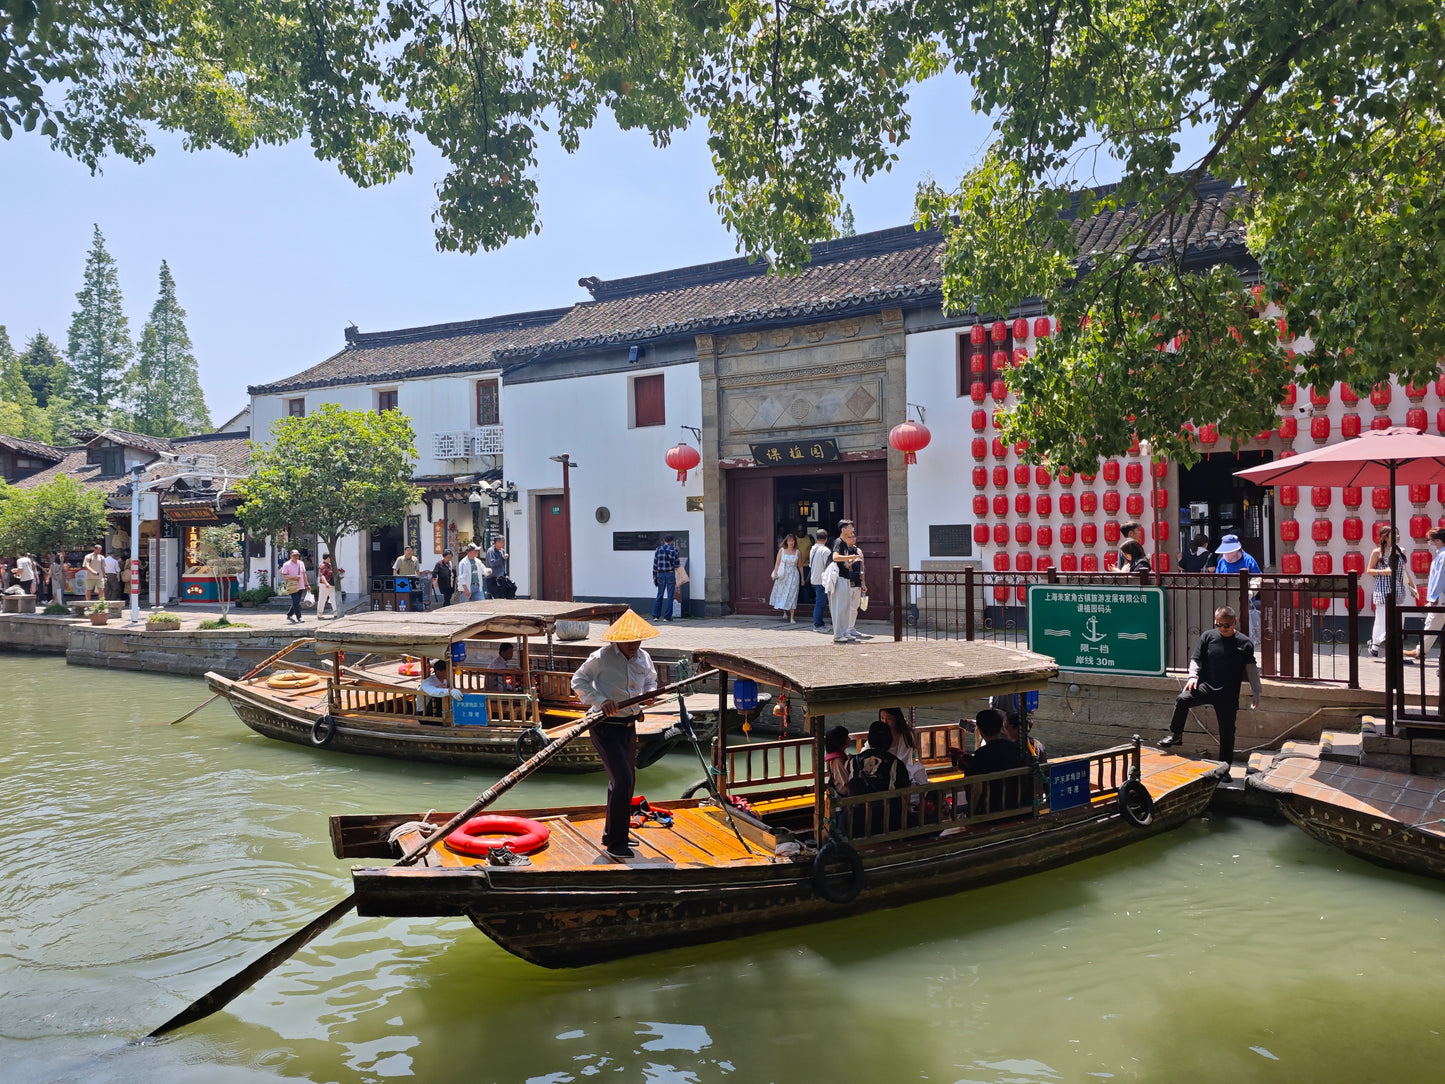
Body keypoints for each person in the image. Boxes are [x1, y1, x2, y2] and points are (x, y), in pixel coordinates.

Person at [571, 610, 660, 859]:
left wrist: (649, 694)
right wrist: (601, 700)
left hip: (629, 726)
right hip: (605, 726)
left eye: (638, 641)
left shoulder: (644, 657)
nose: (634, 645)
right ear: (619, 639)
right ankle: (616, 843)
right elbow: (578, 681)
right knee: (621, 780)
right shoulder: (602, 657)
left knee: (625, 781)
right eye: (630, 641)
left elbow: (651, 681)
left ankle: (613, 833)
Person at [1157, 605, 1261, 771]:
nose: (1222, 628)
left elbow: (1251, 669)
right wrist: (1192, 676)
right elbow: (1196, 659)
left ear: (1235, 622)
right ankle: (1176, 735)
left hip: (1228, 694)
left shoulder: (1244, 643)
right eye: (1218, 624)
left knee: (1227, 733)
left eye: (1226, 625)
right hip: (1206, 687)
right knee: (1183, 699)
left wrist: (1257, 691)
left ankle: (1225, 769)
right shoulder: (1208, 637)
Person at [955, 707, 1028, 814]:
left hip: (991, 810)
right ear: (1001, 728)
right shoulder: (1015, 748)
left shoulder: (982, 754)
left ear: (980, 730)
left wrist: (971, 813)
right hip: (1017, 805)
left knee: (956, 811)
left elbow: (976, 790)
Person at [846, 719, 911, 835]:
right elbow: (905, 796)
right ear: (890, 741)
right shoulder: (896, 764)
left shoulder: (852, 761)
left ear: (869, 739)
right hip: (887, 825)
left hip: (855, 823)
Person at [1366, 527, 1417, 658]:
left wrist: (1412, 586)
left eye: (1398, 533)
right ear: (1385, 537)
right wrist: (1384, 571)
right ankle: (1376, 642)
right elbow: (1369, 570)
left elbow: (1404, 572)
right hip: (1383, 590)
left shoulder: (1401, 551)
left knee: (1398, 621)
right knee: (1382, 621)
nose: (1398, 536)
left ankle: (1392, 649)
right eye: (1394, 534)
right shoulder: (1377, 552)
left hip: (1398, 590)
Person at [1405, 528, 1445, 662]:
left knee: (1432, 624)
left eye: (1430, 540)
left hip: (1441, 598)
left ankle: (1420, 651)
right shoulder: (1441, 555)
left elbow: (1440, 579)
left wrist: (1433, 598)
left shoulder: (1443, 556)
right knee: (1432, 624)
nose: (1430, 543)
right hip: (1441, 597)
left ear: (1438, 540)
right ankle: (1420, 651)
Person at [829, 520, 865, 643]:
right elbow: (835, 557)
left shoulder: (844, 543)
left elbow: (843, 562)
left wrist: (850, 561)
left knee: (846, 607)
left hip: (845, 576)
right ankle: (838, 634)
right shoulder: (838, 542)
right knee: (839, 607)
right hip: (839, 578)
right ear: (843, 530)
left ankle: (844, 632)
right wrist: (851, 557)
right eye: (850, 527)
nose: (852, 530)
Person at [880, 706, 928, 786]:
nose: (885, 722)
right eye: (882, 718)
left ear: (896, 718)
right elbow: (867, 751)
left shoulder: (906, 736)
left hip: (902, 771)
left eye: (888, 719)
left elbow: (904, 762)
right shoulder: (878, 735)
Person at [769, 533, 802, 622]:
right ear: (786, 541)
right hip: (783, 575)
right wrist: (775, 573)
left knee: (793, 594)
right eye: (790, 541)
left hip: (794, 575)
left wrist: (802, 578)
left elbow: (800, 565)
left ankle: (792, 616)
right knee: (783, 593)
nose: (791, 542)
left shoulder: (798, 552)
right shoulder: (782, 551)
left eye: (793, 541)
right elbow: (777, 563)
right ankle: (785, 612)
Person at [651, 534, 681, 621]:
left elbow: (655, 564)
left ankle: (656, 616)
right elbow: (677, 565)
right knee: (670, 595)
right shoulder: (674, 550)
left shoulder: (658, 549)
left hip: (660, 574)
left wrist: (654, 577)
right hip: (670, 574)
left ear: (664, 540)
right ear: (672, 541)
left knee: (659, 595)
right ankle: (667, 617)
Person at [809, 528, 832, 632]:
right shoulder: (825, 551)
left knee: (820, 602)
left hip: (814, 578)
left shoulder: (813, 549)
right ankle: (818, 625)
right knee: (820, 603)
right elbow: (828, 566)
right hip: (821, 580)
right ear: (826, 539)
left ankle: (819, 623)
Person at [279, 548, 308, 624]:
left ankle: (289, 614)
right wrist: (294, 577)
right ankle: (299, 617)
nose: (296, 557)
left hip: (301, 585)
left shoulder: (301, 563)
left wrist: (307, 584)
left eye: (297, 555)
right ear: (290, 556)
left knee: (297, 601)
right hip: (292, 586)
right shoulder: (286, 564)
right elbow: (284, 576)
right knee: (295, 601)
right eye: (294, 555)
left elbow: (304, 574)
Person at [824, 725, 853, 793]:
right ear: (841, 741)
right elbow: (846, 784)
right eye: (847, 737)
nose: (849, 738)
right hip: (842, 795)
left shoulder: (841, 755)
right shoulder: (837, 761)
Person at [317, 553, 342, 618]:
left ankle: (336, 612)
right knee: (322, 599)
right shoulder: (323, 565)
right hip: (324, 585)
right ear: (328, 558)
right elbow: (322, 575)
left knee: (333, 598)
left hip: (331, 584)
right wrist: (326, 583)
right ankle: (320, 614)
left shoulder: (329, 565)